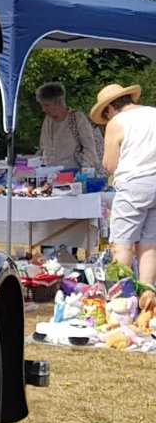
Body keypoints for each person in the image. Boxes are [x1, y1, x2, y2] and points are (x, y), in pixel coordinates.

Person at [93, 82, 156, 286]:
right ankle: (148, 293)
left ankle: (122, 296)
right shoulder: (153, 113)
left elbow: (109, 164)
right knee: (149, 244)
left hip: (133, 184)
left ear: (110, 108)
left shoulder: (117, 122)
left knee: (122, 244)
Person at [36, 82, 102, 170]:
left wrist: (84, 172)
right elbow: (43, 149)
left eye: (46, 105)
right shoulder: (47, 121)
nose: (43, 109)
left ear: (58, 103)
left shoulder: (77, 119)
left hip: (74, 175)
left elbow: (89, 148)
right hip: (50, 175)